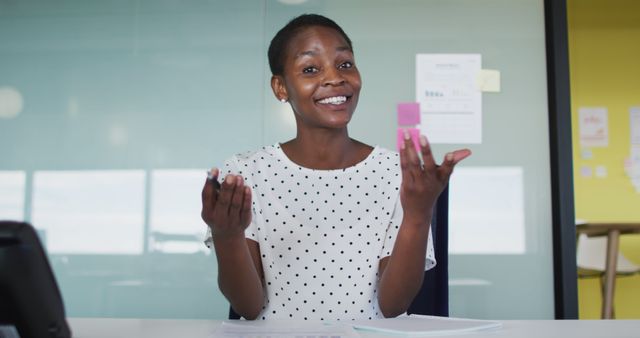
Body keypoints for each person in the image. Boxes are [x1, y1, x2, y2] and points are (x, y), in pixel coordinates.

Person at [201, 14, 470, 321]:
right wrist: (227, 237)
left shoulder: (397, 174)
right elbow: (248, 306)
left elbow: (393, 305)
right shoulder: (245, 173)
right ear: (280, 87)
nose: (335, 78)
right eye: (310, 69)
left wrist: (420, 215)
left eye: (345, 64)